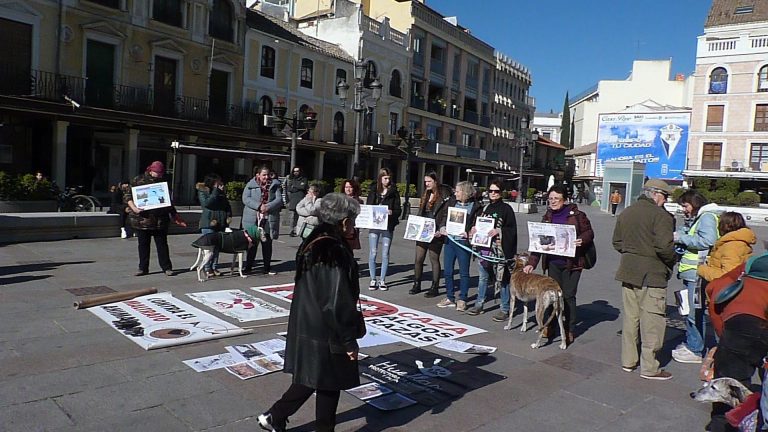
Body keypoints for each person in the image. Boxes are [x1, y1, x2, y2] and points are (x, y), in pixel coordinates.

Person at [257, 193, 363, 432]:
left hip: (309, 319)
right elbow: (337, 300)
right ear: (343, 220)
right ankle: (279, 415)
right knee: (326, 377)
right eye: (353, 220)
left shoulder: (315, 238)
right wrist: (348, 340)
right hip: (326, 326)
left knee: (321, 377)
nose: (354, 226)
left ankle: (276, 415)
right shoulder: (332, 248)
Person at [612, 178, 677, 380]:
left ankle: (628, 361)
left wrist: (633, 253)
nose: (665, 201)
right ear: (656, 194)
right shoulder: (661, 216)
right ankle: (650, 367)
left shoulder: (627, 212)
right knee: (653, 320)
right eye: (665, 197)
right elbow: (664, 247)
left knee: (631, 319)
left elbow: (617, 242)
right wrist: (673, 259)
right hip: (652, 273)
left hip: (628, 271)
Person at [523, 184, 594, 345]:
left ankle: (569, 329)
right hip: (553, 262)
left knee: (568, 296)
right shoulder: (548, 216)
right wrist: (531, 263)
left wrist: (581, 240)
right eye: (550, 199)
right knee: (551, 295)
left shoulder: (577, 215)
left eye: (556, 198)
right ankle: (551, 325)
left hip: (573, 263)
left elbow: (589, 232)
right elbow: (538, 242)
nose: (553, 202)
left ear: (565, 199)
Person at [704, 255, 768, 432]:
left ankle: (721, 424)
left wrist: (721, 332)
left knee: (729, 382)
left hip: (738, 324)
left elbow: (714, 288)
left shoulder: (753, 262)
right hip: (760, 325)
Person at [672, 190, 720, 365]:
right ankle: (694, 345)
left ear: (695, 203)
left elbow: (708, 240)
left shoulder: (706, 217)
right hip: (693, 272)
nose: (684, 209)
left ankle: (695, 349)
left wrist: (682, 238)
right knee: (692, 310)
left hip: (697, 273)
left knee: (693, 312)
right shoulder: (701, 217)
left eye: (685, 205)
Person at [465, 179, 518, 320]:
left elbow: (512, 229)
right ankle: (479, 303)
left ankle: (505, 308)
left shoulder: (506, 209)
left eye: (496, 191)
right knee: (483, 277)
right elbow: (477, 223)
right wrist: (474, 229)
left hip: (500, 250)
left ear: (501, 192)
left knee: (503, 279)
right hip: (484, 249)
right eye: (491, 191)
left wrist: (499, 231)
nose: (493, 193)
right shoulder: (485, 208)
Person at [124, 161, 186, 277]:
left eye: (161, 173)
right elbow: (128, 196)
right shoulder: (138, 180)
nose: (160, 175)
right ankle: (143, 268)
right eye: (158, 172)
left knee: (162, 245)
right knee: (143, 245)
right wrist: (134, 208)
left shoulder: (163, 182)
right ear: (151, 170)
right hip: (142, 220)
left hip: (160, 220)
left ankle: (167, 268)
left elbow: (169, 202)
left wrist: (175, 215)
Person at [437, 181, 481, 311]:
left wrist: (470, 232)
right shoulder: (451, 202)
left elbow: (477, 224)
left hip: (463, 242)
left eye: (457, 191)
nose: (455, 193)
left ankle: (462, 298)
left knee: (463, 272)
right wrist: (442, 227)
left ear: (465, 192)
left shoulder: (476, 207)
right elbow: (444, 217)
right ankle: (450, 297)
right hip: (450, 240)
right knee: (448, 271)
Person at [411, 171, 452, 297]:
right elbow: (421, 211)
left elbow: (446, 213)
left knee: (434, 258)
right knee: (419, 258)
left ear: (435, 181)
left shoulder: (443, 194)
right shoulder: (426, 194)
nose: (426, 184)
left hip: (436, 229)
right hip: (424, 228)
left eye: (429, 181)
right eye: (425, 182)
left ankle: (435, 286)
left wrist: (441, 228)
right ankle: (417, 283)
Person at [366, 168, 401, 291]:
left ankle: (382, 280)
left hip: (387, 225)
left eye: (389, 178)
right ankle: (373, 278)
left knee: (385, 253)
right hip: (375, 225)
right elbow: (369, 206)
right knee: (373, 252)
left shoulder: (394, 192)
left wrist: (392, 212)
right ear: (380, 178)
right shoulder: (374, 191)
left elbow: (398, 209)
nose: (387, 180)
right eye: (385, 178)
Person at [243, 166, 282, 275]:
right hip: (253, 217)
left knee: (267, 243)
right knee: (252, 243)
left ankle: (267, 267)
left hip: (268, 218)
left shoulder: (275, 185)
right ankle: (248, 267)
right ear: (258, 175)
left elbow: (279, 200)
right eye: (263, 175)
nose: (266, 177)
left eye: (267, 174)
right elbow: (245, 199)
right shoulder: (250, 185)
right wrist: (259, 206)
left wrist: (267, 206)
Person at [698, 211, 756, 283]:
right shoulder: (738, 242)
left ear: (725, 226)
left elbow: (728, 276)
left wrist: (702, 270)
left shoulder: (732, 246)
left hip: (722, 289)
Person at [196, 173, 232, 277]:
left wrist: (229, 215)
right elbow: (207, 204)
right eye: (217, 182)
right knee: (209, 247)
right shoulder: (203, 191)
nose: (219, 183)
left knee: (217, 247)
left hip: (220, 222)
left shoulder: (221, 192)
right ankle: (207, 268)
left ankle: (214, 267)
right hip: (208, 222)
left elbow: (227, 205)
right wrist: (216, 191)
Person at [342, 179, 363, 251]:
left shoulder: (359, 201)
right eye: (346, 187)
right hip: (341, 228)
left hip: (352, 228)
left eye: (350, 187)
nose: (348, 189)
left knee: (350, 250)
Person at [287, 166, 308, 237]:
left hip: (301, 200)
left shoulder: (304, 179)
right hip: (293, 200)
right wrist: (297, 187)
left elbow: (303, 187)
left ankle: (299, 231)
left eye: (297, 171)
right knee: (293, 217)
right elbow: (289, 188)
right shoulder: (291, 179)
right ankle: (292, 230)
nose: (296, 172)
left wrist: (295, 186)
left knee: (300, 217)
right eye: (294, 171)